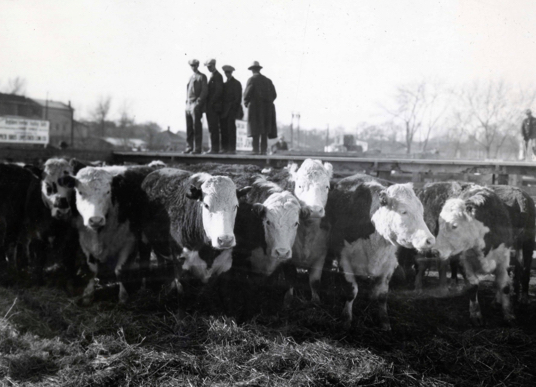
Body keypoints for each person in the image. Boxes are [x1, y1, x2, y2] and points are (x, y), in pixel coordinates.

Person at [243, 61, 277, 155]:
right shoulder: (268, 81)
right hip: (266, 111)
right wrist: (268, 103)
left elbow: (246, 95)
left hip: (255, 110)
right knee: (264, 131)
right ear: (259, 69)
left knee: (255, 130)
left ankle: (255, 150)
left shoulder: (251, 80)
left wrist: (246, 103)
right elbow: (274, 95)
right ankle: (263, 151)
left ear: (252, 70)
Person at [184, 59, 208, 154]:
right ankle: (189, 147)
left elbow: (204, 91)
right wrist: (187, 103)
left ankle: (197, 148)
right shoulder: (190, 77)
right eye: (192, 65)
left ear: (198, 66)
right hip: (188, 104)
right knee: (189, 127)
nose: (193, 67)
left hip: (195, 103)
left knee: (196, 126)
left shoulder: (202, 77)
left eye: (195, 65)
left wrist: (198, 102)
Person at [220, 65, 242, 154]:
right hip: (224, 111)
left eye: (228, 72)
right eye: (226, 73)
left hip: (232, 110)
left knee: (231, 129)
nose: (227, 74)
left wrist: (233, 109)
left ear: (231, 73)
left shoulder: (236, 83)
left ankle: (232, 149)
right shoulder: (224, 84)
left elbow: (238, 98)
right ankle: (225, 148)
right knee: (224, 129)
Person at [204, 58, 224, 154]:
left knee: (214, 128)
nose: (208, 68)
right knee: (212, 127)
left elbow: (219, 91)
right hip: (211, 106)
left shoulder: (218, 76)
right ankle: (213, 148)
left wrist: (211, 102)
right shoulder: (213, 75)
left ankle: (214, 148)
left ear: (214, 65)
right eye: (207, 67)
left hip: (214, 107)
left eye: (210, 66)